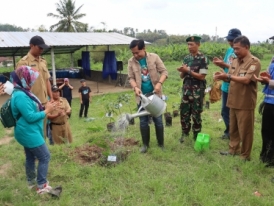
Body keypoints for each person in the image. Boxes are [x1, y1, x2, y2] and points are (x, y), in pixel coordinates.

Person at [9, 66, 55, 194]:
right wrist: (47, 111)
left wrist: (44, 107)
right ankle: (41, 185)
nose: (33, 81)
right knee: (45, 156)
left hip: (27, 131)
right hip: (28, 132)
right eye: (31, 78)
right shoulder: (20, 95)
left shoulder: (23, 91)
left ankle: (31, 182)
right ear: (24, 79)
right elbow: (30, 117)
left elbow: (30, 110)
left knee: (30, 157)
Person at [214, 36, 261, 161]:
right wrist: (221, 76)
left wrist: (227, 76)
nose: (235, 51)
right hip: (233, 99)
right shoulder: (234, 61)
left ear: (246, 47)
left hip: (245, 102)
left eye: (238, 48)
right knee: (233, 127)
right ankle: (233, 149)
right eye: (234, 48)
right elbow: (231, 76)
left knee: (245, 130)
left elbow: (246, 80)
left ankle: (245, 155)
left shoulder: (254, 62)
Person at [128, 39, 168, 153]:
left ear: (144, 48)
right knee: (143, 122)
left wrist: (159, 84)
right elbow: (131, 78)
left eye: (137, 52)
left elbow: (164, 72)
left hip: (155, 96)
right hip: (141, 98)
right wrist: (135, 87)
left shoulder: (154, 57)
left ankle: (161, 144)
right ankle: (145, 145)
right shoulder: (131, 62)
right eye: (133, 53)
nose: (135, 55)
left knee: (158, 121)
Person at [16, 35, 52, 139]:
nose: (41, 50)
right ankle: (37, 154)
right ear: (31, 46)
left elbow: (46, 80)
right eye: (39, 47)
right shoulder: (24, 62)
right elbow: (19, 86)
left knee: (43, 130)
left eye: (42, 48)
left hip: (44, 102)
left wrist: (51, 98)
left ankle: (42, 152)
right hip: (32, 104)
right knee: (33, 132)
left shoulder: (43, 61)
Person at [177, 36, 209, 142]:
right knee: (184, 112)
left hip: (197, 91)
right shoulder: (187, 58)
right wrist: (182, 70)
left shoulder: (203, 59)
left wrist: (188, 70)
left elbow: (202, 76)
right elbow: (182, 76)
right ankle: (184, 133)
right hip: (186, 89)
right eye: (188, 44)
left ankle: (197, 135)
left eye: (192, 44)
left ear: (198, 44)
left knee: (196, 113)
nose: (189, 47)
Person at [213, 28, 242, 140]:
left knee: (234, 112)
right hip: (226, 86)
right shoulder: (229, 50)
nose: (230, 42)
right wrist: (220, 64)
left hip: (235, 86)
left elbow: (240, 69)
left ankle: (234, 134)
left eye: (232, 40)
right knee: (225, 111)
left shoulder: (240, 52)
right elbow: (227, 66)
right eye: (229, 39)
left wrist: (223, 64)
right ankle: (229, 132)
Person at [254, 56, 274, 167]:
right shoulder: (272, 60)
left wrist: (269, 81)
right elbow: (268, 77)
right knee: (266, 131)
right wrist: (264, 79)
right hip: (269, 101)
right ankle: (266, 156)